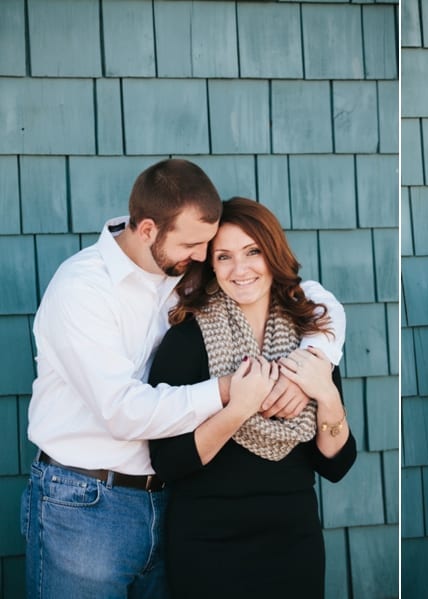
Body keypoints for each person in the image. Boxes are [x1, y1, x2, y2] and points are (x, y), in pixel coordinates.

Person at [21, 159, 345, 598]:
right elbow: (123, 411)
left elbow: (316, 299)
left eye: (205, 247)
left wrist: (318, 358)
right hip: (87, 499)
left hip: (161, 502)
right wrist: (233, 390)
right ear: (149, 230)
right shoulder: (83, 289)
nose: (201, 259)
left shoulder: (180, 275)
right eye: (198, 247)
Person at [147, 197, 356, 598]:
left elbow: (336, 465)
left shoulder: (310, 339)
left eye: (252, 252)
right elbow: (168, 462)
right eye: (224, 257)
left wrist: (326, 394)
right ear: (211, 266)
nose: (240, 269)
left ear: (272, 253)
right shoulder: (189, 338)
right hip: (209, 546)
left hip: (293, 543)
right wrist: (240, 406)